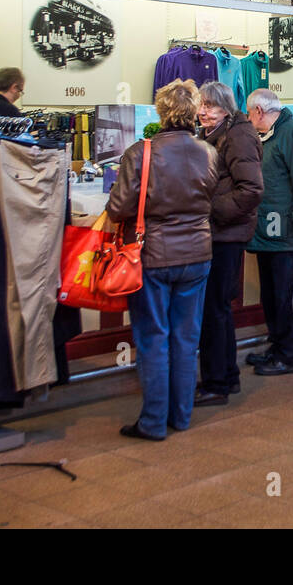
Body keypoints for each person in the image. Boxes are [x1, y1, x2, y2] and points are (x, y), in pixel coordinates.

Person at [106, 79, 219, 440]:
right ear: (193, 111)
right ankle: (181, 416)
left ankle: (153, 422)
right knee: (187, 340)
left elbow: (119, 207)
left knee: (154, 339)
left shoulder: (142, 152)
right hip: (198, 255)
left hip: (152, 256)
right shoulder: (208, 153)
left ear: (161, 111)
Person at [194, 81, 263, 406]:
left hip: (226, 235)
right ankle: (225, 377)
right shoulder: (216, 134)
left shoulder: (238, 136)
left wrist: (213, 211)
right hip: (220, 234)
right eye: (201, 106)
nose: (203, 111)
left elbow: (251, 189)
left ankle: (217, 383)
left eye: (210, 106)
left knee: (215, 309)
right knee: (215, 309)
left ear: (225, 107)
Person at [244, 88, 293, 374]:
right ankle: (276, 346)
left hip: (288, 234)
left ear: (259, 112)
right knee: (272, 296)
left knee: (287, 296)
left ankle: (289, 355)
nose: (249, 118)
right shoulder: (267, 137)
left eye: (249, 113)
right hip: (267, 234)